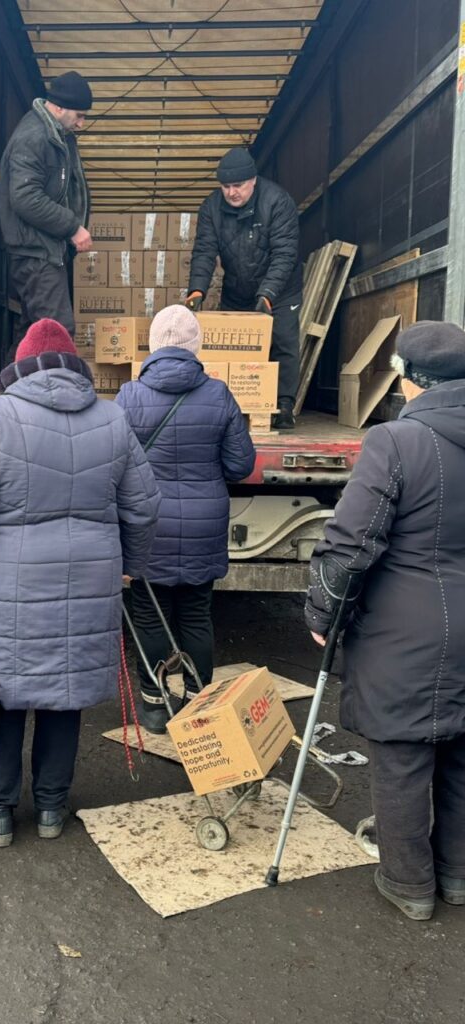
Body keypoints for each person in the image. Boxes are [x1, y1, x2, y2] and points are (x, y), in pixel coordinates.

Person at [0, 318, 161, 847]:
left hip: (6, 585)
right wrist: (132, 563)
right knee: (66, 695)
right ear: (75, 368)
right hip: (90, 579)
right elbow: (146, 507)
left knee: (7, 693)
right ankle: (53, 809)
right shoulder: (111, 418)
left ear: (19, 367)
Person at [305, 321, 465, 921]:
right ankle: (456, 876)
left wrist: (323, 613)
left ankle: (410, 884)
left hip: (407, 636)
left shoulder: (396, 442)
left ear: (411, 380)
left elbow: (350, 544)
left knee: (402, 756)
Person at [115, 305, 256, 733]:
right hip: (203, 525)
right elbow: (240, 465)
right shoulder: (219, 395)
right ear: (196, 347)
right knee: (196, 614)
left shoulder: (129, 397)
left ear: (154, 346)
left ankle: (155, 705)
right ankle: (197, 699)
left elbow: (114, 466)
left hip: (148, 526)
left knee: (150, 614)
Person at [185, 146, 302, 429]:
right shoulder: (212, 206)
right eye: (225, 186)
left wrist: (268, 295)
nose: (231, 192)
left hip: (280, 289)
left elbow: (284, 254)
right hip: (237, 288)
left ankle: (284, 405)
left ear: (253, 180)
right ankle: (233, 406)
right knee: (232, 348)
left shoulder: (278, 202)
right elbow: (204, 251)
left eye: (238, 185)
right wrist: (197, 290)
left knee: (282, 342)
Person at [0, 71, 93, 345]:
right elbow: (25, 196)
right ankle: (55, 388)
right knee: (57, 333)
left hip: (45, 251)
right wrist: (72, 226)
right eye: (79, 115)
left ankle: (8, 387)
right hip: (35, 253)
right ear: (59, 107)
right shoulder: (34, 137)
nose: (82, 123)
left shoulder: (56, 136)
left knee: (31, 334)